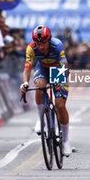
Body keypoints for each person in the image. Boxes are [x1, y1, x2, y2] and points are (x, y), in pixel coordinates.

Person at [20, 25, 72, 157]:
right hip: (42, 68)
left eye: (43, 43)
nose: (41, 46)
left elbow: (64, 65)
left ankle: (66, 141)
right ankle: (40, 119)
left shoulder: (57, 45)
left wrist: (60, 80)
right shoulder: (31, 48)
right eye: (38, 43)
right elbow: (27, 68)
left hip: (57, 69)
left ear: (49, 40)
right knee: (39, 85)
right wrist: (25, 82)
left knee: (60, 105)